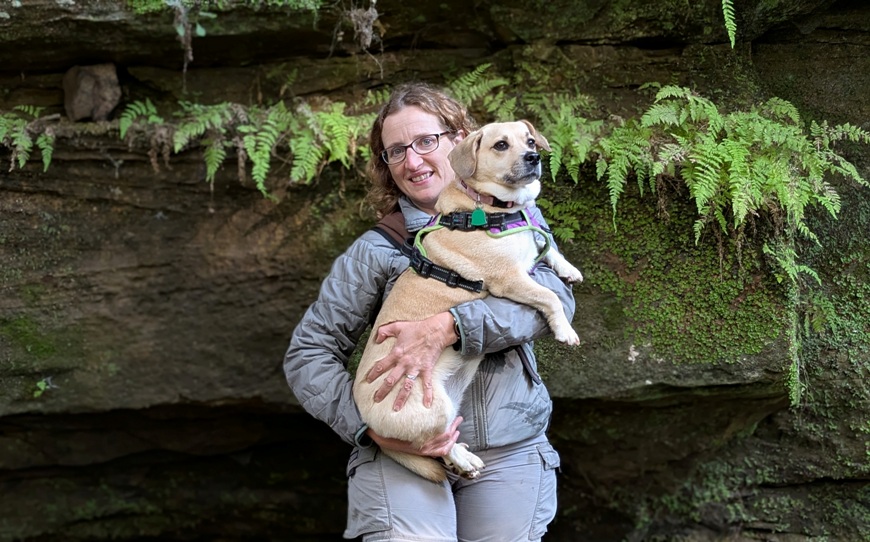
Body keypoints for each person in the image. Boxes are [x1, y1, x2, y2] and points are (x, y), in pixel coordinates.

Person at [283, 82, 577, 542]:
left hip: (509, 447)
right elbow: (308, 353)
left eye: (425, 142)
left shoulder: (520, 219)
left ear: (462, 139)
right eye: (395, 151)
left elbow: (555, 304)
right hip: (403, 445)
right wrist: (369, 428)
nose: (413, 161)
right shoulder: (377, 250)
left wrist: (451, 327)